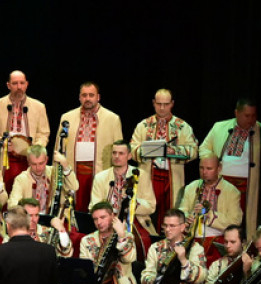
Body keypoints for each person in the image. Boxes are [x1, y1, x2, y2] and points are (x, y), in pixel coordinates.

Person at [129, 89, 199, 232]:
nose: (162, 108)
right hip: (149, 176)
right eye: (159, 104)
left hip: (172, 179)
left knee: (170, 213)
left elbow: (194, 151)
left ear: (172, 104)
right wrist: (150, 150)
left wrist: (173, 151)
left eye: (166, 104)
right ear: (154, 103)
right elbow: (132, 149)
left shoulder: (182, 126)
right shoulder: (143, 125)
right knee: (148, 212)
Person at [199, 97, 261, 232]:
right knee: (220, 218)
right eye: (247, 115)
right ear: (237, 113)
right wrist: (211, 162)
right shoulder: (220, 127)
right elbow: (204, 148)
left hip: (247, 187)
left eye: (254, 115)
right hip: (221, 183)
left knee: (241, 221)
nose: (251, 119)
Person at [55, 82, 124, 212]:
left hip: (99, 172)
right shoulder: (67, 117)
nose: (87, 99)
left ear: (98, 97)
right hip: (74, 172)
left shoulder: (112, 119)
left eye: (91, 95)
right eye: (84, 95)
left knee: (97, 209)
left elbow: (120, 150)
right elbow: (59, 149)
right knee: (74, 209)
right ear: (79, 97)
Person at [0, 70, 50, 192]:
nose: (19, 87)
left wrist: (35, 149)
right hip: (5, 157)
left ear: (27, 84)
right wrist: (1, 142)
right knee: (4, 191)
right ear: (8, 85)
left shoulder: (39, 106)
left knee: (28, 192)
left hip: (30, 158)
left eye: (22, 83)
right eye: (15, 83)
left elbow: (44, 133)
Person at [89, 140, 157, 254]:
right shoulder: (100, 177)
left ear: (129, 156)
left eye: (121, 153)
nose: (116, 156)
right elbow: (93, 206)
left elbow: (151, 206)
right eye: (114, 153)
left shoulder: (141, 175)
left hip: (134, 221)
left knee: (142, 242)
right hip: (108, 221)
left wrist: (132, 204)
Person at [176, 156, 243, 266]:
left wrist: (208, 215)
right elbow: (181, 211)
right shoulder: (191, 187)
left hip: (217, 238)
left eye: (209, 168)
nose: (204, 172)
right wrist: (186, 217)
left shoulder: (232, 191)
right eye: (201, 168)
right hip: (192, 236)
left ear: (219, 168)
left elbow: (235, 221)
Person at [8, 144, 77, 210]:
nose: (38, 168)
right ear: (28, 162)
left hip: (53, 218)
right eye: (34, 164)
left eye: (41, 163)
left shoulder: (54, 172)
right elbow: (12, 205)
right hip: (30, 219)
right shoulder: (21, 179)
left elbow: (74, 187)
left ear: (46, 159)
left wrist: (65, 166)